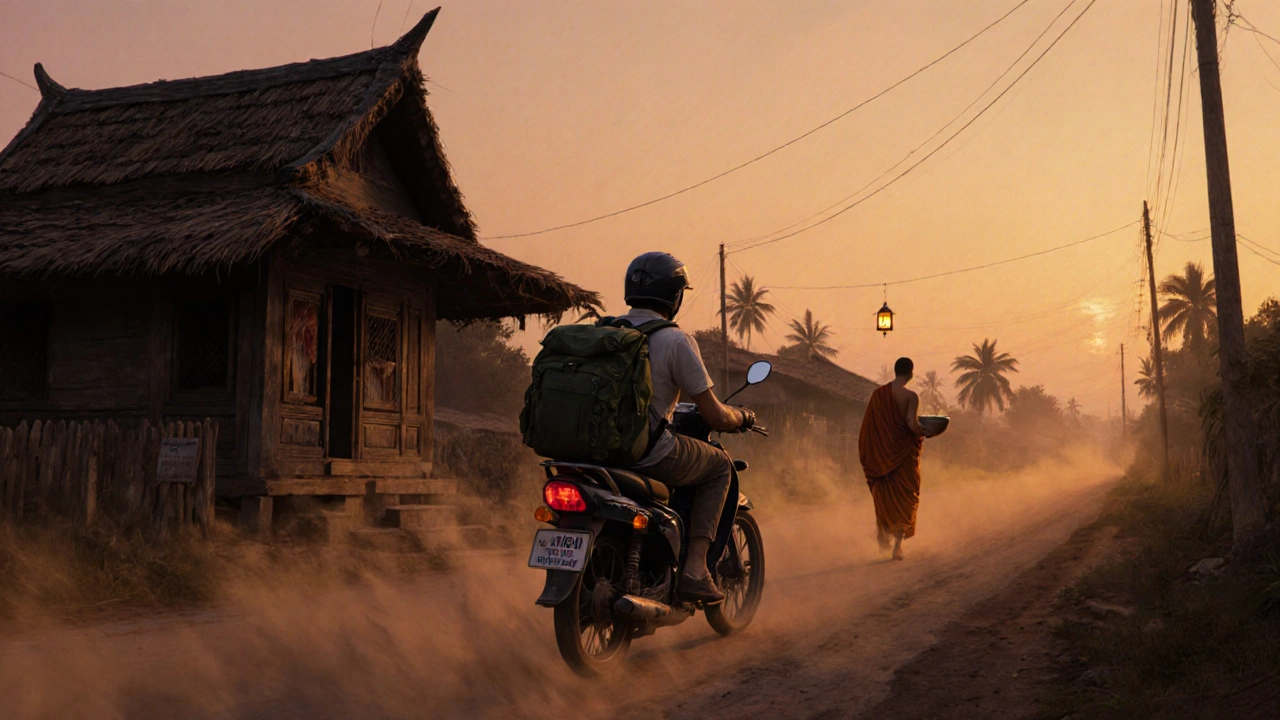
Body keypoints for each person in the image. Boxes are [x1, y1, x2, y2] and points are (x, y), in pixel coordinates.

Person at [616, 252, 756, 603]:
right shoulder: (674, 340)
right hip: (646, 452)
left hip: (595, 450)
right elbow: (716, 417)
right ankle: (695, 569)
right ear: (674, 297)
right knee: (719, 467)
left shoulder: (606, 329)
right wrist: (742, 416)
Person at [859, 356, 933, 561]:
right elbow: (911, 422)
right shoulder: (911, 396)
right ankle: (897, 547)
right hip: (903, 456)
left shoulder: (877, 395)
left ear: (895, 371)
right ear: (910, 373)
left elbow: (870, 428)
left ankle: (883, 534)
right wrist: (922, 431)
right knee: (904, 497)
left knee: (884, 496)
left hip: (881, 455)